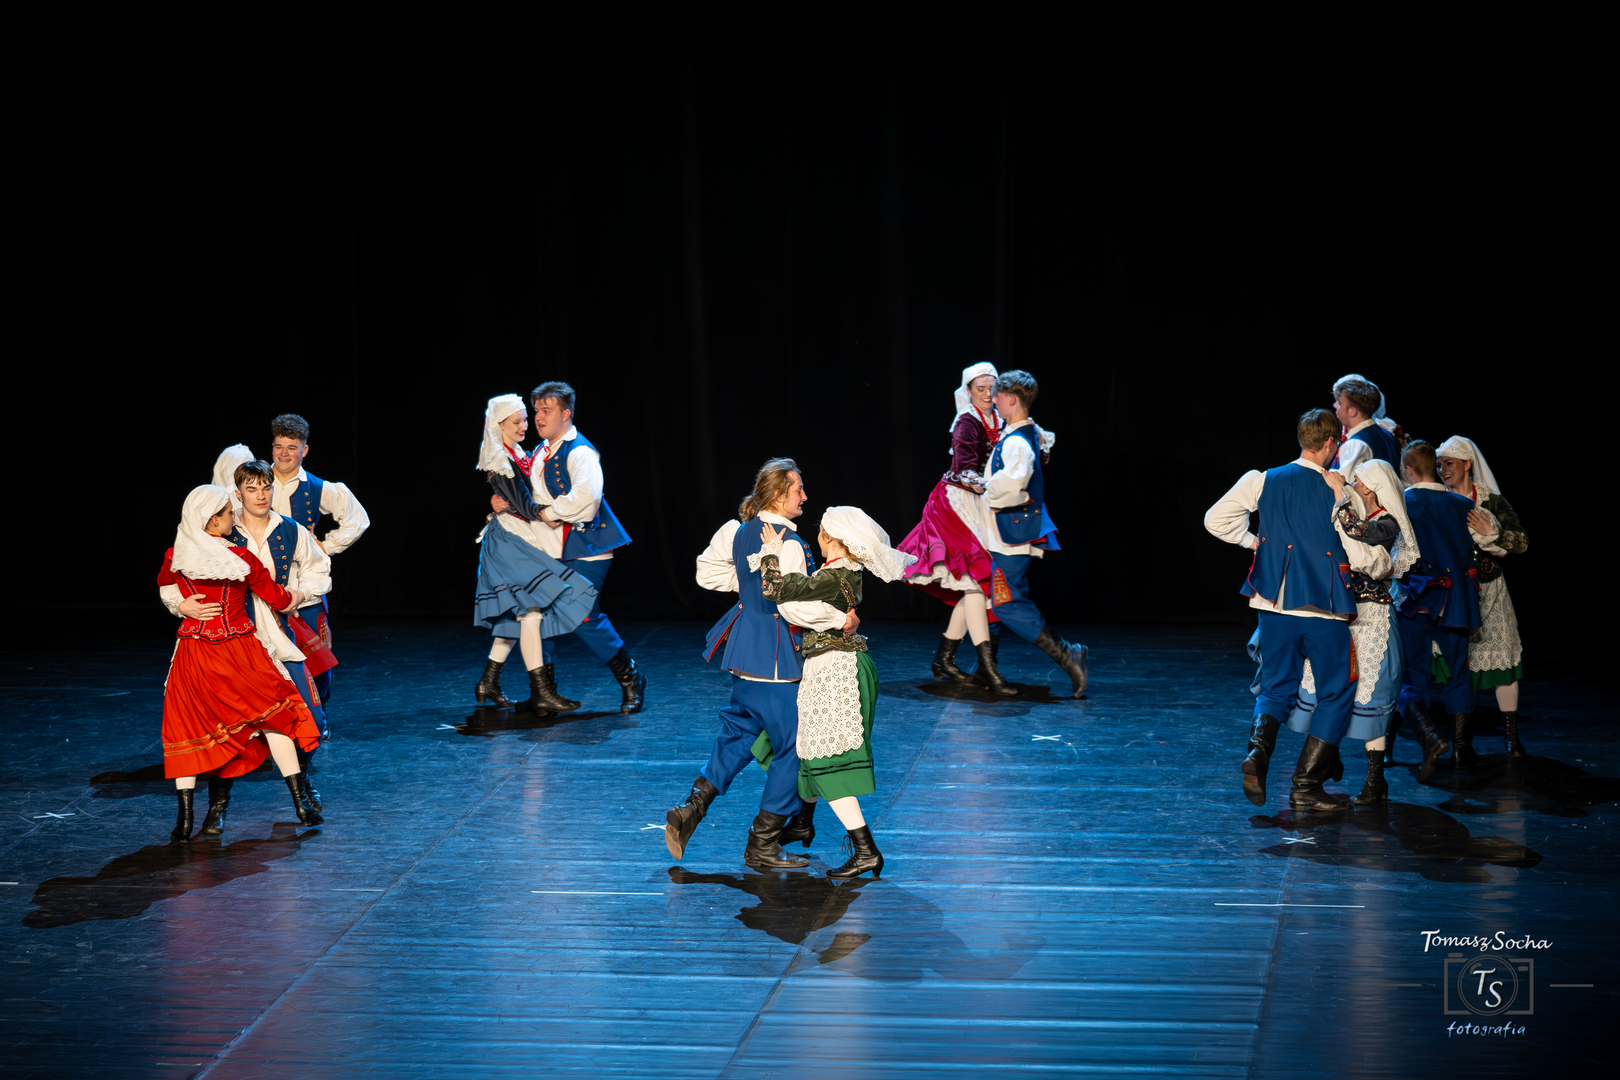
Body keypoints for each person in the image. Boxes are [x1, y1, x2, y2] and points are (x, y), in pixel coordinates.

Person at [666, 459, 857, 869]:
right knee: (794, 748)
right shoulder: (789, 542)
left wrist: (748, 587)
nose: (804, 496)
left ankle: (692, 807)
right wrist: (838, 619)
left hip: (744, 655)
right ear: (777, 495)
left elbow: (707, 574)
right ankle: (763, 843)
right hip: (776, 658)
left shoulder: (739, 531)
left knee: (739, 733)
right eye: (798, 489)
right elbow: (790, 606)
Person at [1205, 408, 1384, 811]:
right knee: (1337, 691)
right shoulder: (1339, 489)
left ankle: (1258, 753)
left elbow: (1215, 519)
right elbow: (1358, 548)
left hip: (1274, 603)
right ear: (1331, 443)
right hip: (1324, 605)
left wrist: (1253, 542)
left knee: (1275, 688)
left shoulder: (1264, 479)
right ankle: (1305, 785)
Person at [161, 460, 334, 830]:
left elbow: (317, 570)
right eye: (252, 489)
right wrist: (182, 605)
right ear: (236, 495)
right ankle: (218, 807)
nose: (261, 495)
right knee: (230, 722)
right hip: (238, 642)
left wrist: (300, 593)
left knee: (304, 714)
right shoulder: (224, 535)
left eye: (266, 487)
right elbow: (169, 586)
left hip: (276, 635)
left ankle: (302, 785)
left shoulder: (289, 529)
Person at [754, 506, 916, 879]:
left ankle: (866, 851)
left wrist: (771, 552)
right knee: (808, 749)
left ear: (829, 536)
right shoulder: (845, 573)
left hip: (835, 669)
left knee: (828, 761)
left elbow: (775, 590)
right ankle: (803, 822)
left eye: (821, 531)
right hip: (834, 664)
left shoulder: (832, 575)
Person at [491, 382, 642, 713]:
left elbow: (587, 499)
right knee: (537, 616)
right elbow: (529, 498)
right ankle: (543, 694)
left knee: (581, 615)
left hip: (586, 546)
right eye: (536, 411)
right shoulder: (540, 452)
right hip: (547, 547)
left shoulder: (580, 451)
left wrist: (549, 513)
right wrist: (504, 503)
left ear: (565, 414)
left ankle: (630, 677)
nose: (538, 417)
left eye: (547, 410)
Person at [1274, 459, 1418, 805]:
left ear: (1371, 487)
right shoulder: (1350, 510)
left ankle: (1375, 780)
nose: (1353, 483)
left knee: (1373, 693)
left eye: (1358, 480)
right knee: (1329, 688)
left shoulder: (1387, 522)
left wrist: (1339, 491)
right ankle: (1328, 760)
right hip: (1341, 613)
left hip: (1373, 617)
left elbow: (1357, 531)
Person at [471, 395, 599, 713]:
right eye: (516, 422)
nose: (525, 426)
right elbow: (525, 505)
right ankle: (541, 691)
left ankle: (489, 681)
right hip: (508, 540)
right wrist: (554, 512)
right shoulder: (501, 462)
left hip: (517, 535)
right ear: (498, 425)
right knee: (531, 612)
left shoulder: (519, 455)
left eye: (525, 419)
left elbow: (522, 497)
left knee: (517, 613)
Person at [895, 363, 1014, 694]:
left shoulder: (1000, 419)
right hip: (956, 504)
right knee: (976, 582)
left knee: (973, 585)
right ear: (969, 391)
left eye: (992, 387)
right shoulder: (967, 421)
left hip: (983, 503)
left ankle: (944, 659)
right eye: (980, 388)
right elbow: (964, 470)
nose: (987, 394)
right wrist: (996, 487)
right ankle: (986, 668)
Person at [981, 370, 1089, 697]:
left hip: (1009, 538)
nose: (993, 401)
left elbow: (1013, 487)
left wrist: (985, 489)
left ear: (1012, 399)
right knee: (990, 598)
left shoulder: (1017, 442)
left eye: (998, 396)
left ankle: (1068, 655)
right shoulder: (1021, 433)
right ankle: (985, 668)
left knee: (1006, 604)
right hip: (1002, 535)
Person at [1396, 441, 1499, 777]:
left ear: (1408, 470)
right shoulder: (1461, 504)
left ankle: (1428, 738)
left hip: (1416, 601)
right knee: (1458, 673)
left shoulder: (1401, 503)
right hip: (1455, 600)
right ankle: (1461, 751)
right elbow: (1486, 543)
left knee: (1412, 674)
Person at [268, 414, 370, 705]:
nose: (284, 453)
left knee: (317, 656)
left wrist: (324, 546)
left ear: (305, 450)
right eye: (278, 446)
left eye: (291, 447)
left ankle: (318, 712)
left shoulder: (317, 488)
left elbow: (358, 520)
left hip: (305, 584)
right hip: (265, 584)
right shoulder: (257, 483)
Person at [1437, 436, 1529, 756]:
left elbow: (1521, 542)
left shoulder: (1490, 501)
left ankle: (1511, 735)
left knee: (1503, 663)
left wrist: (1492, 533)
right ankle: (1461, 741)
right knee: (1455, 666)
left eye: (1449, 463)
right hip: (1454, 594)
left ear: (1467, 464)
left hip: (1490, 591)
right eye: (1439, 464)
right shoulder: (1438, 499)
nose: (1442, 470)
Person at [1331, 375, 1403, 479]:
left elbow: (1343, 484)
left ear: (1352, 411)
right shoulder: (1389, 436)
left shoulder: (1356, 444)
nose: (1335, 405)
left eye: (1340, 403)